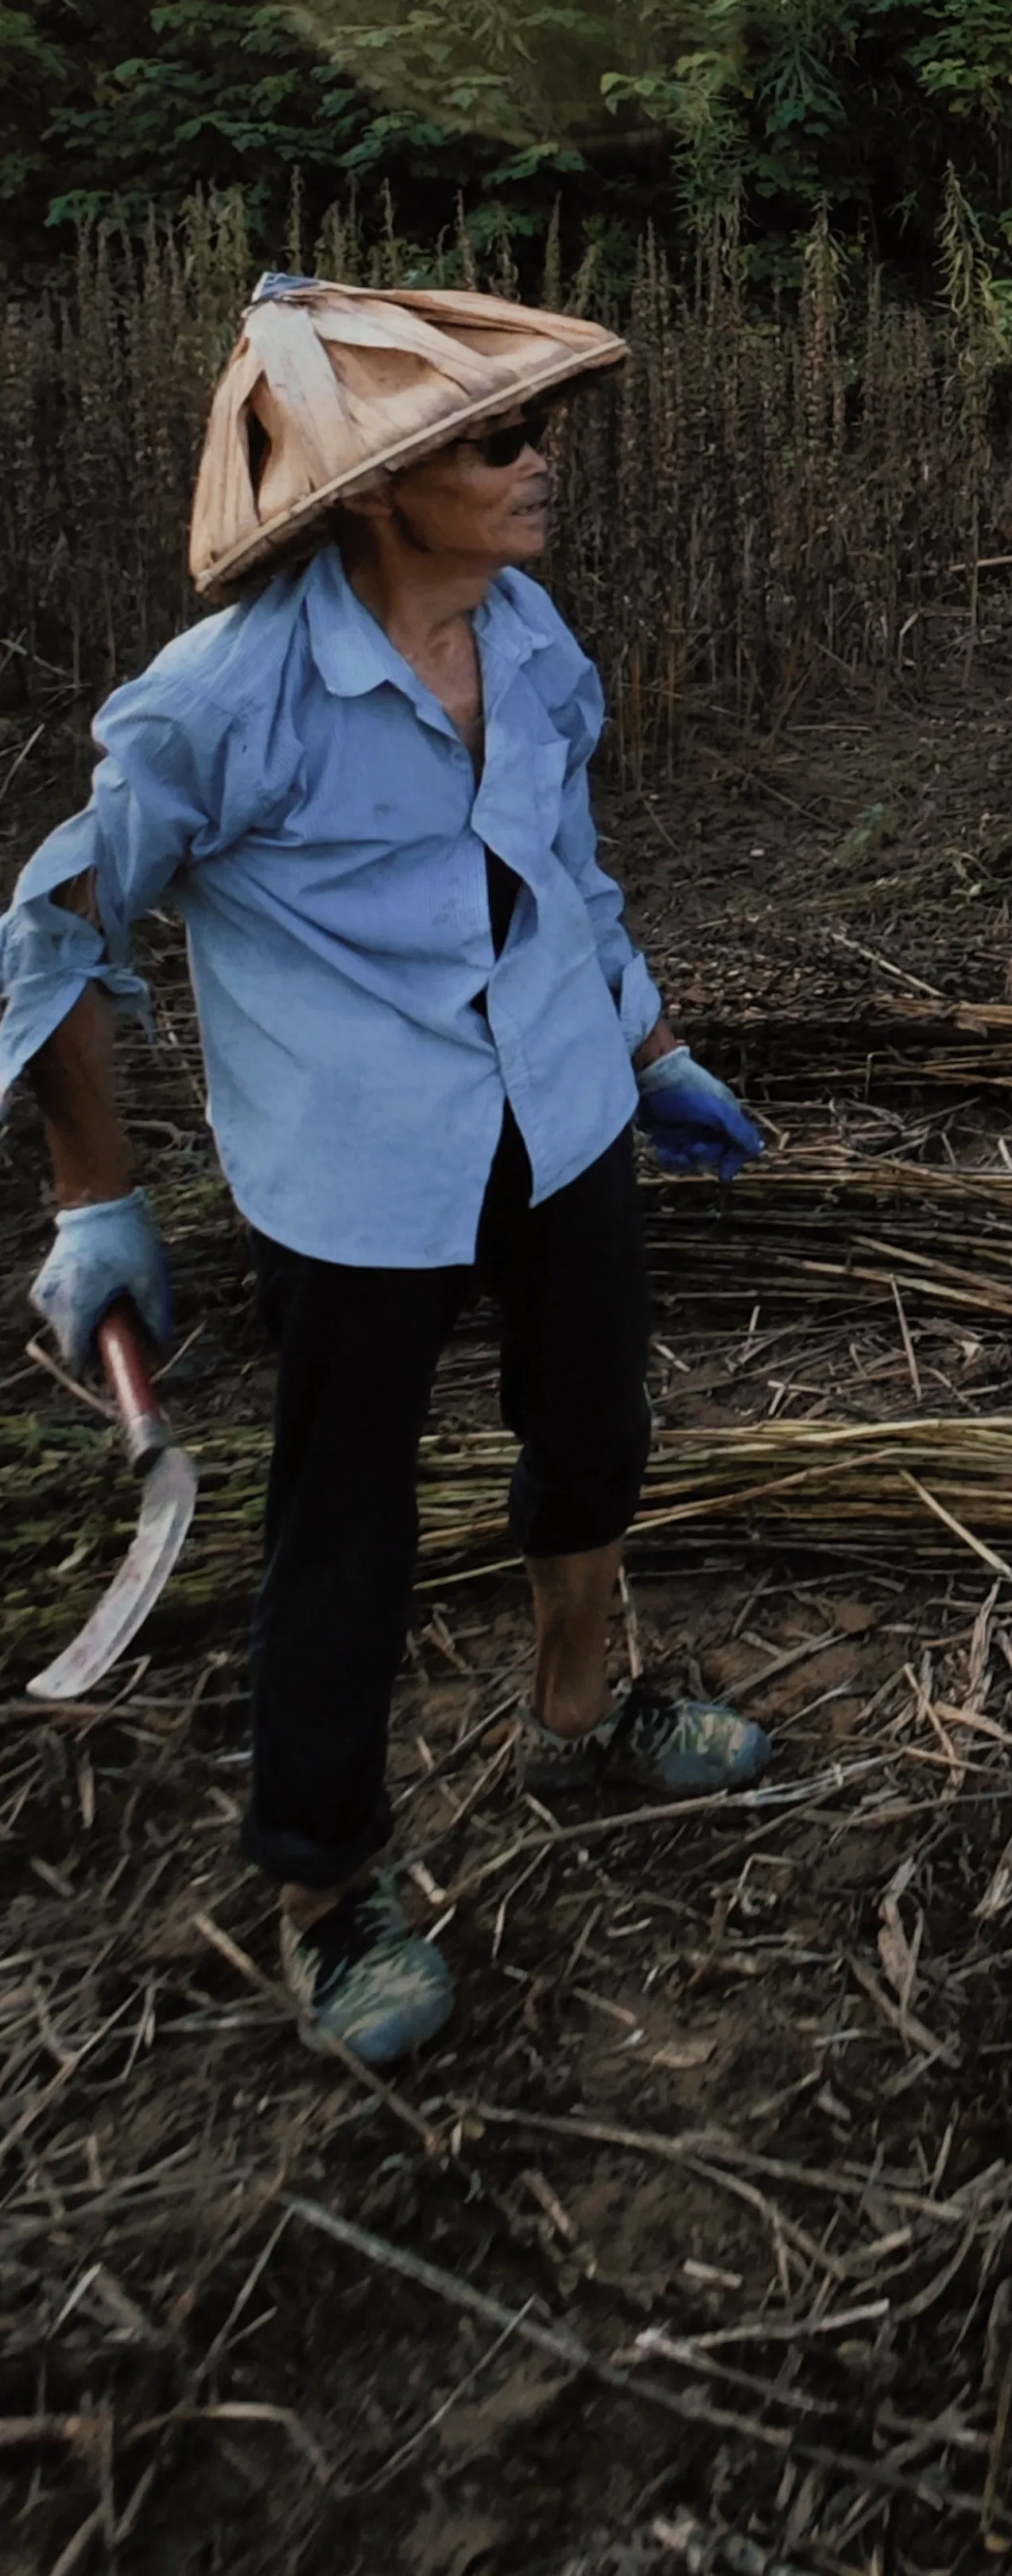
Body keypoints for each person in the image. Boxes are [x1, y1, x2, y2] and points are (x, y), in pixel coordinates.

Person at [2, 274, 774, 2070]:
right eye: (498, 438)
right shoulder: (226, 700)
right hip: (360, 1170)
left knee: (595, 1432)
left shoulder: (528, 636)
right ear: (378, 484)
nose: (540, 461)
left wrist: (649, 1049)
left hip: (560, 1111)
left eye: (534, 428)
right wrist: (94, 1197)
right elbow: (53, 931)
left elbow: (566, 868)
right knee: (340, 1531)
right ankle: (327, 1887)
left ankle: (579, 1715)